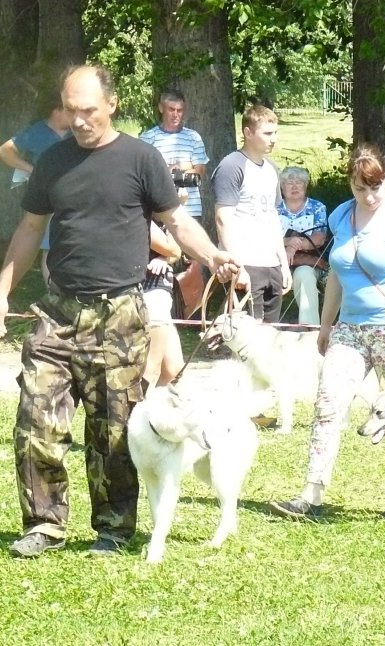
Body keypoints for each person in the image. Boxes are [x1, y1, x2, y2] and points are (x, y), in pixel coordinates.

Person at [0, 65, 239, 559]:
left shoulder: (141, 158)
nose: (80, 120)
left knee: (113, 430)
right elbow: (28, 229)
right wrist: (2, 289)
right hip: (58, 310)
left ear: (111, 104)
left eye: (88, 110)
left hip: (121, 313)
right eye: (71, 110)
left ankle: (112, 529)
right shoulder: (52, 160)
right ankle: (44, 525)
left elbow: (176, 221)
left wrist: (213, 255)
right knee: (36, 419)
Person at [269, 143, 385, 521]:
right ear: (350, 184)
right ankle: (311, 496)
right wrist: (325, 324)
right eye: (360, 188)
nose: (369, 197)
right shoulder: (341, 215)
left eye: (376, 187)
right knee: (327, 405)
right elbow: (337, 273)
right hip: (349, 329)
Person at [213, 105, 291, 323]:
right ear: (248, 133)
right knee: (247, 339)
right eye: (267, 133)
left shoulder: (272, 168)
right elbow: (222, 219)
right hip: (246, 264)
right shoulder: (231, 165)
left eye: (275, 132)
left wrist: (283, 265)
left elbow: (273, 217)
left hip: (271, 264)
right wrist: (237, 267)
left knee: (271, 336)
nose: (273, 139)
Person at [0, 93, 73, 283]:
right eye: (69, 110)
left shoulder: (77, 132)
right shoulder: (36, 132)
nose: (75, 115)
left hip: (74, 196)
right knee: (49, 246)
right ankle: (53, 292)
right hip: (47, 199)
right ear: (57, 111)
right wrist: (31, 169)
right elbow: (5, 150)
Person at [138, 89, 209, 219]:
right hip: (159, 211)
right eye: (171, 109)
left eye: (180, 110)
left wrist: (177, 169)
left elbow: (200, 171)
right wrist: (186, 166)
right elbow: (143, 174)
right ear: (161, 108)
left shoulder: (193, 137)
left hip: (190, 210)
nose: (175, 114)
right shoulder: (148, 138)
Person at [278, 166, 329, 325]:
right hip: (277, 260)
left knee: (304, 275)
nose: (294, 186)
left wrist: (293, 247)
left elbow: (319, 238)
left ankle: (309, 329)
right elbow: (264, 236)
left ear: (305, 186)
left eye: (299, 182)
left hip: (307, 260)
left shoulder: (317, 207)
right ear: (282, 187)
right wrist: (287, 242)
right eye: (289, 183)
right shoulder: (274, 208)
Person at [142, 223, 184, 389]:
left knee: (173, 369)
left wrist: (164, 257)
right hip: (146, 290)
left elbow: (175, 251)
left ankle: (152, 410)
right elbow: (173, 249)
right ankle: (138, 412)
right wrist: (168, 253)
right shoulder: (140, 207)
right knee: (150, 370)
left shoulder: (164, 215)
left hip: (159, 288)